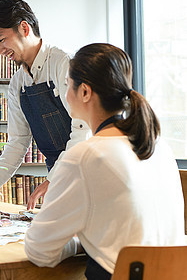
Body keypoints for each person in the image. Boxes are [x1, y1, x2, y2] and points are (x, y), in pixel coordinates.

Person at [24, 43, 185, 279]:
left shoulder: (85, 156)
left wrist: (80, 244)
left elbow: (39, 250)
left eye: (68, 86)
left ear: (85, 92)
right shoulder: (159, 146)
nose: (66, 95)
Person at [0, 0, 91, 209]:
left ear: (24, 28)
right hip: (56, 171)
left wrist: (54, 178)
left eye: (2, 40)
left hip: (85, 169)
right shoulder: (16, 84)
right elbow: (18, 141)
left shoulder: (63, 63)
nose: (0, 50)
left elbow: (83, 130)